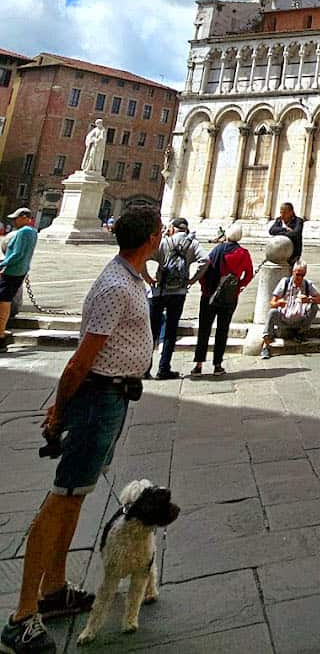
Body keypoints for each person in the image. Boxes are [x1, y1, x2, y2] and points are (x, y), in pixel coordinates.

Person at [1, 204, 162, 654]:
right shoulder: (116, 286)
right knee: (61, 499)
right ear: (151, 238)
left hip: (111, 398)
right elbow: (79, 361)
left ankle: (53, 590)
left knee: (74, 496)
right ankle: (21, 618)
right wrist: (59, 410)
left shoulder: (130, 278)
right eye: (159, 231)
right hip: (96, 400)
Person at [144, 217, 207, 381]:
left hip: (159, 291)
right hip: (179, 292)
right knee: (171, 331)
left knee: (152, 331)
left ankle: (145, 368)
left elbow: (143, 256)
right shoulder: (193, 244)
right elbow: (205, 260)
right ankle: (164, 369)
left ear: (172, 228)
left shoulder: (164, 242)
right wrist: (193, 280)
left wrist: (148, 278)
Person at [191, 223, 253, 378]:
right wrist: (238, 286)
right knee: (222, 330)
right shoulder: (243, 254)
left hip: (209, 295)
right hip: (230, 297)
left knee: (204, 329)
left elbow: (205, 268)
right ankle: (217, 365)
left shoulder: (217, 250)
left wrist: (204, 287)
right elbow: (249, 274)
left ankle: (198, 365)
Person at [260, 262, 320, 358]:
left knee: (314, 306)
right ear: (293, 272)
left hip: (300, 320)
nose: (300, 278)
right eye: (297, 274)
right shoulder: (285, 283)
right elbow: (272, 303)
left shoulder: (307, 284)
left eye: (302, 275)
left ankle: (301, 332)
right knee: (272, 312)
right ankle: (266, 345)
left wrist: (309, 299)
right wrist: (279, 303)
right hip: (284, 319)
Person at [0, 208, 39, 346]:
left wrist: (3, 265)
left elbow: (17, 254)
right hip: (20, 270)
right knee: (5, 299)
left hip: (13, 271)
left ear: (24, 217)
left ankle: (1, 334)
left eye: (16, 219)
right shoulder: (33, 232)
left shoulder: (24, 232)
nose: (14, 221)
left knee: (3, 300)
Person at [268, 201, 303, 266]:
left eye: (284, 212)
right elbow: (272, 230)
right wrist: (285, 229)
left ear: (291, 212)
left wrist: (279, 233)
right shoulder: (279, 220)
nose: (282, 215)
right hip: (278, 252)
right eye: (281, 212)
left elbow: (295, 234)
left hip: (293, 254)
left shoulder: (298, 221)